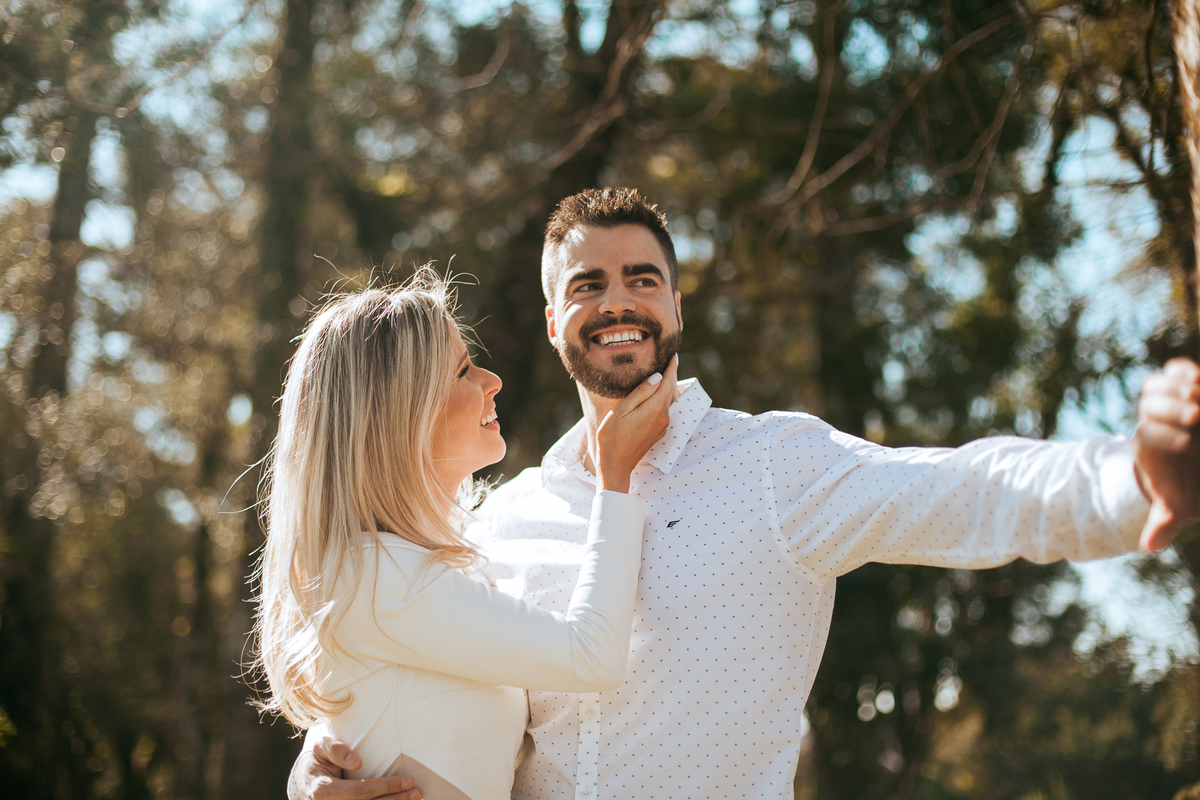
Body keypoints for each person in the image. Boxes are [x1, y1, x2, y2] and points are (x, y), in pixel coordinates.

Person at [290, 188, 1200, 800]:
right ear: (552, 319)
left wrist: (1131, 475)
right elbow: (403, 666)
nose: (619, 301)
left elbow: (960, 486)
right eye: (588, 284)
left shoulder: (774, 468)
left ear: (677, 307)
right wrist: (324, 773)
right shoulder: (505, 517)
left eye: (643, 278)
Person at [254, 268, 679, 800]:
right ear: (400, 414)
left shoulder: (438, 562)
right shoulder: (377, 573)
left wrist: (313, 763)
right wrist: (616, 480)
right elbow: (590, 656)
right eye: (462, 371)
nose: (492, 381)